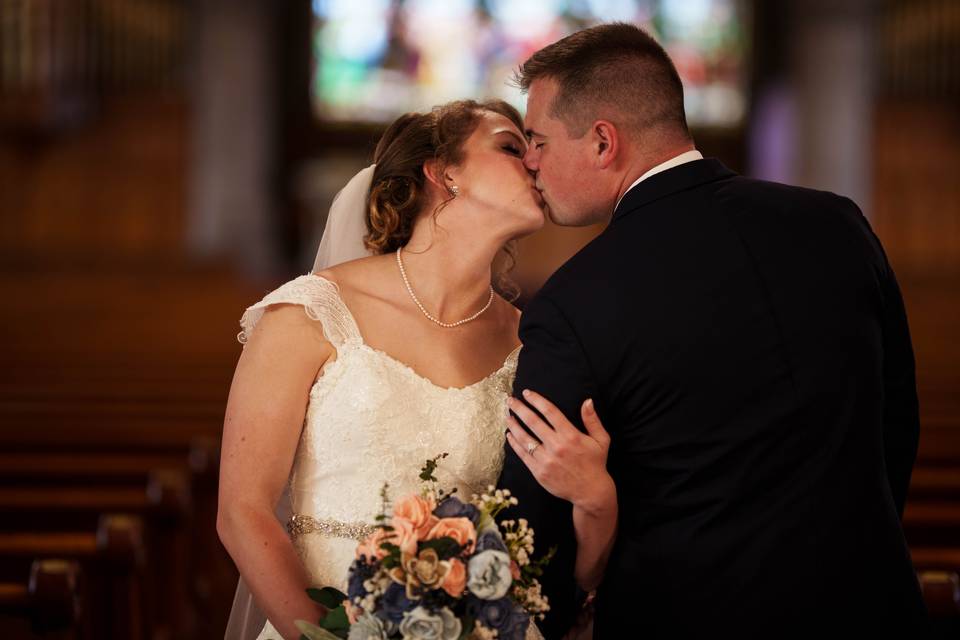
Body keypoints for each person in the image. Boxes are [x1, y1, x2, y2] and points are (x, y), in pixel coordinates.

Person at [499, 22, 928, 638]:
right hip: (873, 607)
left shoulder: (573, 302)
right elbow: (895, 422)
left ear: (602, 142)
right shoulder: (837, 224)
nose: (530, 160)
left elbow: (534, 532)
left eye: (537, 139)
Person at [216, 99, 614, 640]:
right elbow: (243, 510)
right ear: (442, 171)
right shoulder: (311, 312)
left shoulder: (532, 344)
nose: (535, 162)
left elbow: (549, 550)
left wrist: (597, 498)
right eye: (510, 146)